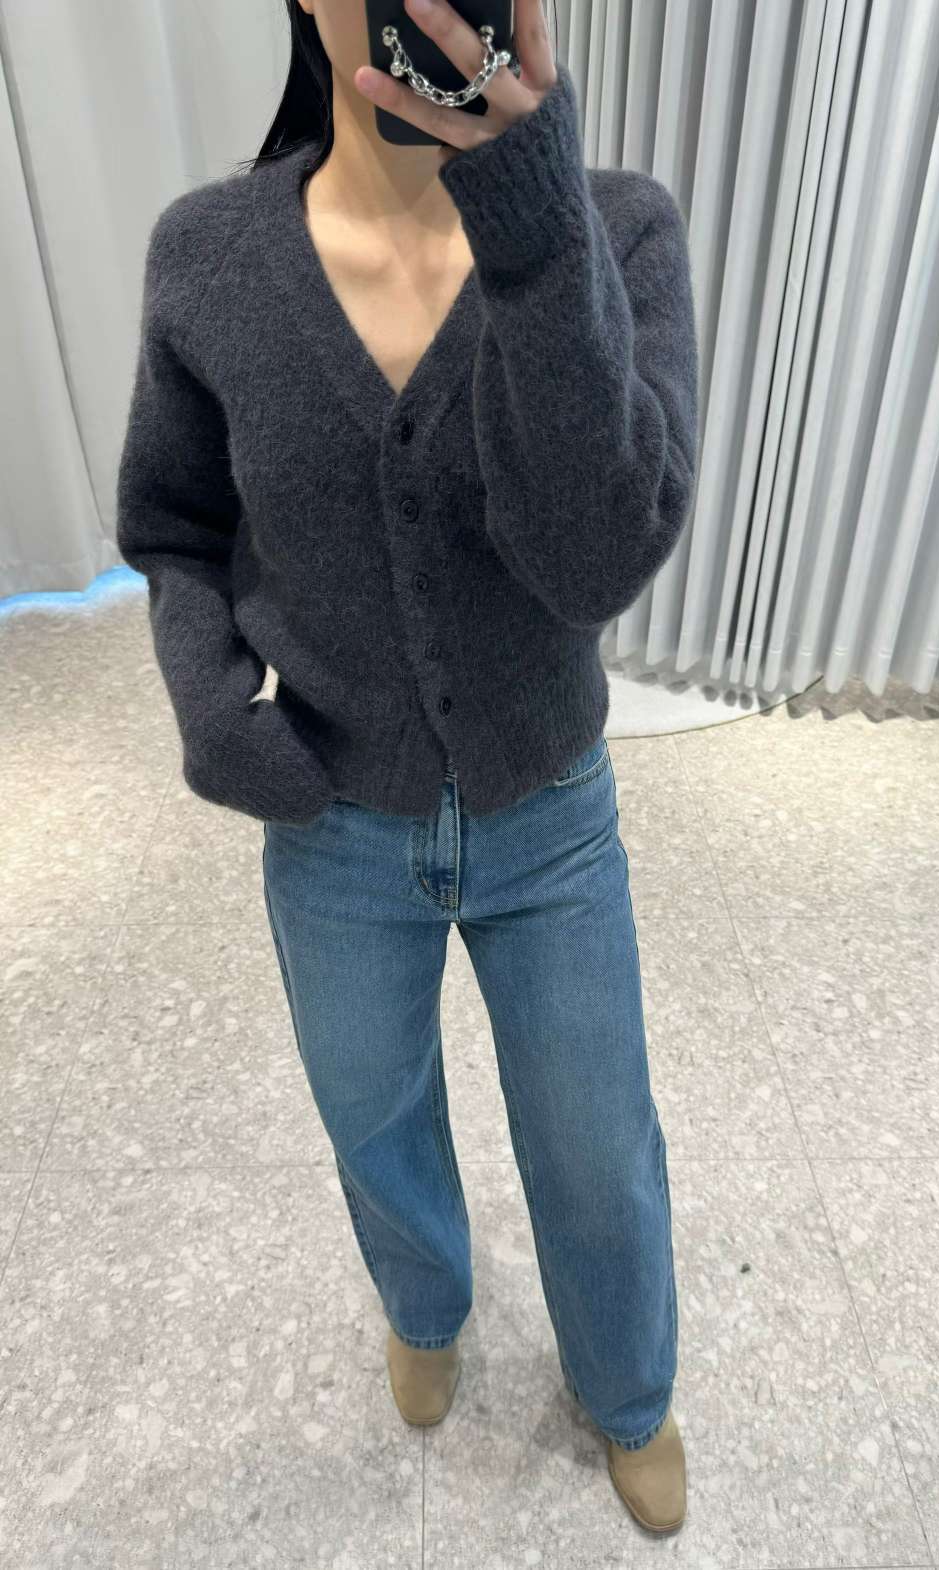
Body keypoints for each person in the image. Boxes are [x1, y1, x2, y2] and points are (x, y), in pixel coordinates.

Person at [115, 0, 699, 1536]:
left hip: (548, 813)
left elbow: (599, 560)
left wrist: (534, 226)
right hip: (331, 818)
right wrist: (206, 696)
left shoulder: (618, 233)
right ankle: (425, 1303)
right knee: (370, 1114)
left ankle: (629, 1384)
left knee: (597, 1145)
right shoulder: (207, 260)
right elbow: (173, 525)